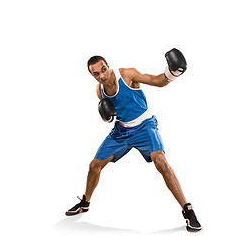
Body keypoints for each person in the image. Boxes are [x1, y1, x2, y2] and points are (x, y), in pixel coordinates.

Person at [65, 49, 202, 232]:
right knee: (94, 166)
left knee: (161, 162)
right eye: (96, 74)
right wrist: (107, 118)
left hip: (145, 126)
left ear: (108, 65)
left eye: (103, 69)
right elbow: (113, 113)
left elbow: (157, 81)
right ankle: (85, 202)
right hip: (121, 131)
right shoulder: (100, 90)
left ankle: (187, 209)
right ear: (92, 75)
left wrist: (172, 72)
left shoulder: (127, 75)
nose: (102, 76)